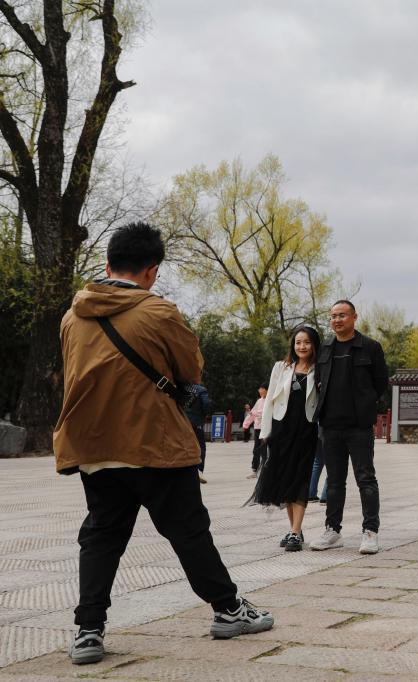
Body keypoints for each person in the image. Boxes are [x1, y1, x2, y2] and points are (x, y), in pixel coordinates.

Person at [53, 222, 273, 666]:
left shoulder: (72, 317)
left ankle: (88, 631)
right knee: (188, 531)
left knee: (101, 536)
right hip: (155, 442)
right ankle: (228, 610)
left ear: (108, 263)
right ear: (152, 270)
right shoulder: (159, 312)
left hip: (96, 445)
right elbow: (191, 369)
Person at [310, 300, 389, 554]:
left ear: (354, 317)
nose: (337, 320)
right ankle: (333, 530)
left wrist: (365, 404)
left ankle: (370, 531)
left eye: (342, 315)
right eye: (333, 316)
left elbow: (380, 383)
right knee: (334, 481)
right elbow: (319, 382)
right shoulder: (324, 348)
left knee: (366, 478)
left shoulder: (370, 347)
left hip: (358, 426)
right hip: (330, 425)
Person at [247, 326, 320, 551]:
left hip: (306, 432)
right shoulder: (282, 367)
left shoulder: (321, 369)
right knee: (287, 479)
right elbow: (270, 402)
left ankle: (296, 532)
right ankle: (294, 530)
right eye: (298, 342)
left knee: (300, 478)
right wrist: (266, 433)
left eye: (306, 342)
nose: (302, 346)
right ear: (293, 345)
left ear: (314, 344)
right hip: (282, 430)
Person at [183, 384, 212, 484]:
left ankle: (184, 471)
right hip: (196, 422)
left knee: (184, 446)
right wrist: (204, 414)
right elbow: (207, 404)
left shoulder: (182, 387)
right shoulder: (201, 390)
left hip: (182, 421)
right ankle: (199, 470)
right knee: (200, 446)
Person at [243, 385, 268, 478]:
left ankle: (265, 470)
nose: (259, 390)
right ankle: (254, 469)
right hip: (258, 428)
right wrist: (246, 424)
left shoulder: (270, 400)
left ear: (266, 390)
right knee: (256, 450)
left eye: (261, 389)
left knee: (265, 450)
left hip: (266, 428)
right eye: (259, 389)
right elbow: (252, 413)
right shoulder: (259, 401)